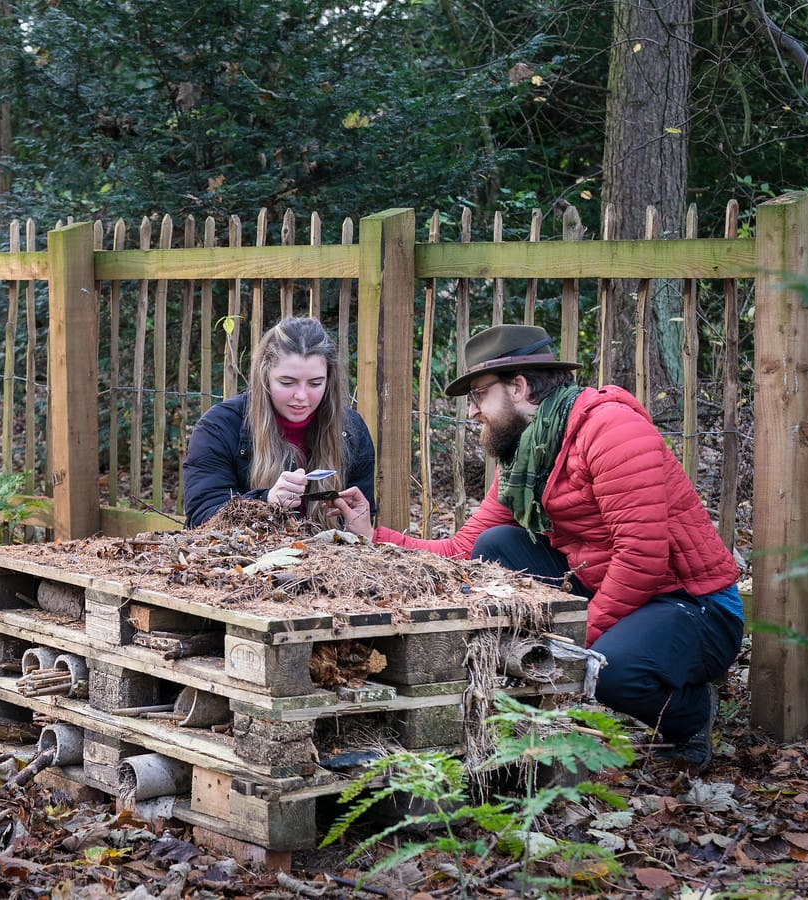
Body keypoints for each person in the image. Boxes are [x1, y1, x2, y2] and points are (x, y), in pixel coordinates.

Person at [330, 324, 742, 770]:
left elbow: (641, 555)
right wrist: (371, 535)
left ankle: (694, 713)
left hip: (694, 606)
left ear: (519, 387)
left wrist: (575, 645)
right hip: (617, 592)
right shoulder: (527, 457)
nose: (472, 413)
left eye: (478, 396)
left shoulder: (610, 429)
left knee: (608, 669)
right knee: (495, 543)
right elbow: (463, 550)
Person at [182, 316, 376, 528]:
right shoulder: (219, 427)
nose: (301, 396)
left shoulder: (351, 429)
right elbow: (201, 518)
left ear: (329, 380)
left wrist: (360, 528)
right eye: (287, 382)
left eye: (315, 383)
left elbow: (362, 521)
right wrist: (265, 501)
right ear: (265, 375)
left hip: (328, 558)